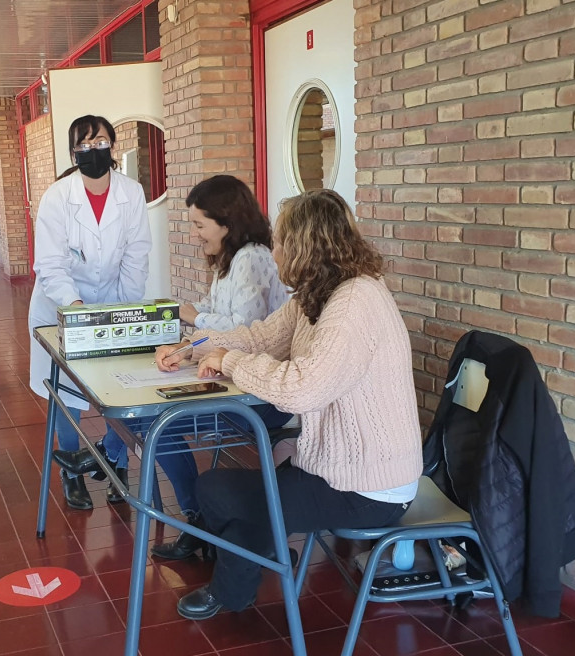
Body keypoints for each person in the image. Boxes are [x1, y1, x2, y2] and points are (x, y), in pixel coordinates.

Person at [154, 189, 423, 620]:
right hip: (333, 467)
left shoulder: (353, 303)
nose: (273, 250)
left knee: (234, 498)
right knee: (229, 492)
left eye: (280, 241)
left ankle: (237, 584)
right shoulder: (319, 293)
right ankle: (257, 563)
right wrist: (192, 346)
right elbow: (260, 336)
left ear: (303, 246)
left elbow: (303, 389)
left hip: (368, 485)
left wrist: (230, 362)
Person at [55, 175, 290, 555]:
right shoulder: (230, 259)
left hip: (258, 393)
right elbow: (217, 322)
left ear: (227, 222)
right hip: (230, 374)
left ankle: (193, 519)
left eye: (200, 225)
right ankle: (192, 518)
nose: (195, 234)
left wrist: (193, 321)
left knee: (153, 420)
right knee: (141, 414)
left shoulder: (252, 259)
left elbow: (244, 331)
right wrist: (183, 346)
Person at [28, 114, 152, 511]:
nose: (91, 150)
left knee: (121, 386)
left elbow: (137, 256)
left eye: (98, 142)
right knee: (69, 395)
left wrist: (127, 311)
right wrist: (77, 311)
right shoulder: (57, 197)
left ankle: (115, 464)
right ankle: (73, 473)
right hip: (60, 307)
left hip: (113, 301)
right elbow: (50, 264)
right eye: (82, 145)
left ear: (111, 145)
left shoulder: (130, 194)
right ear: (72, 152)